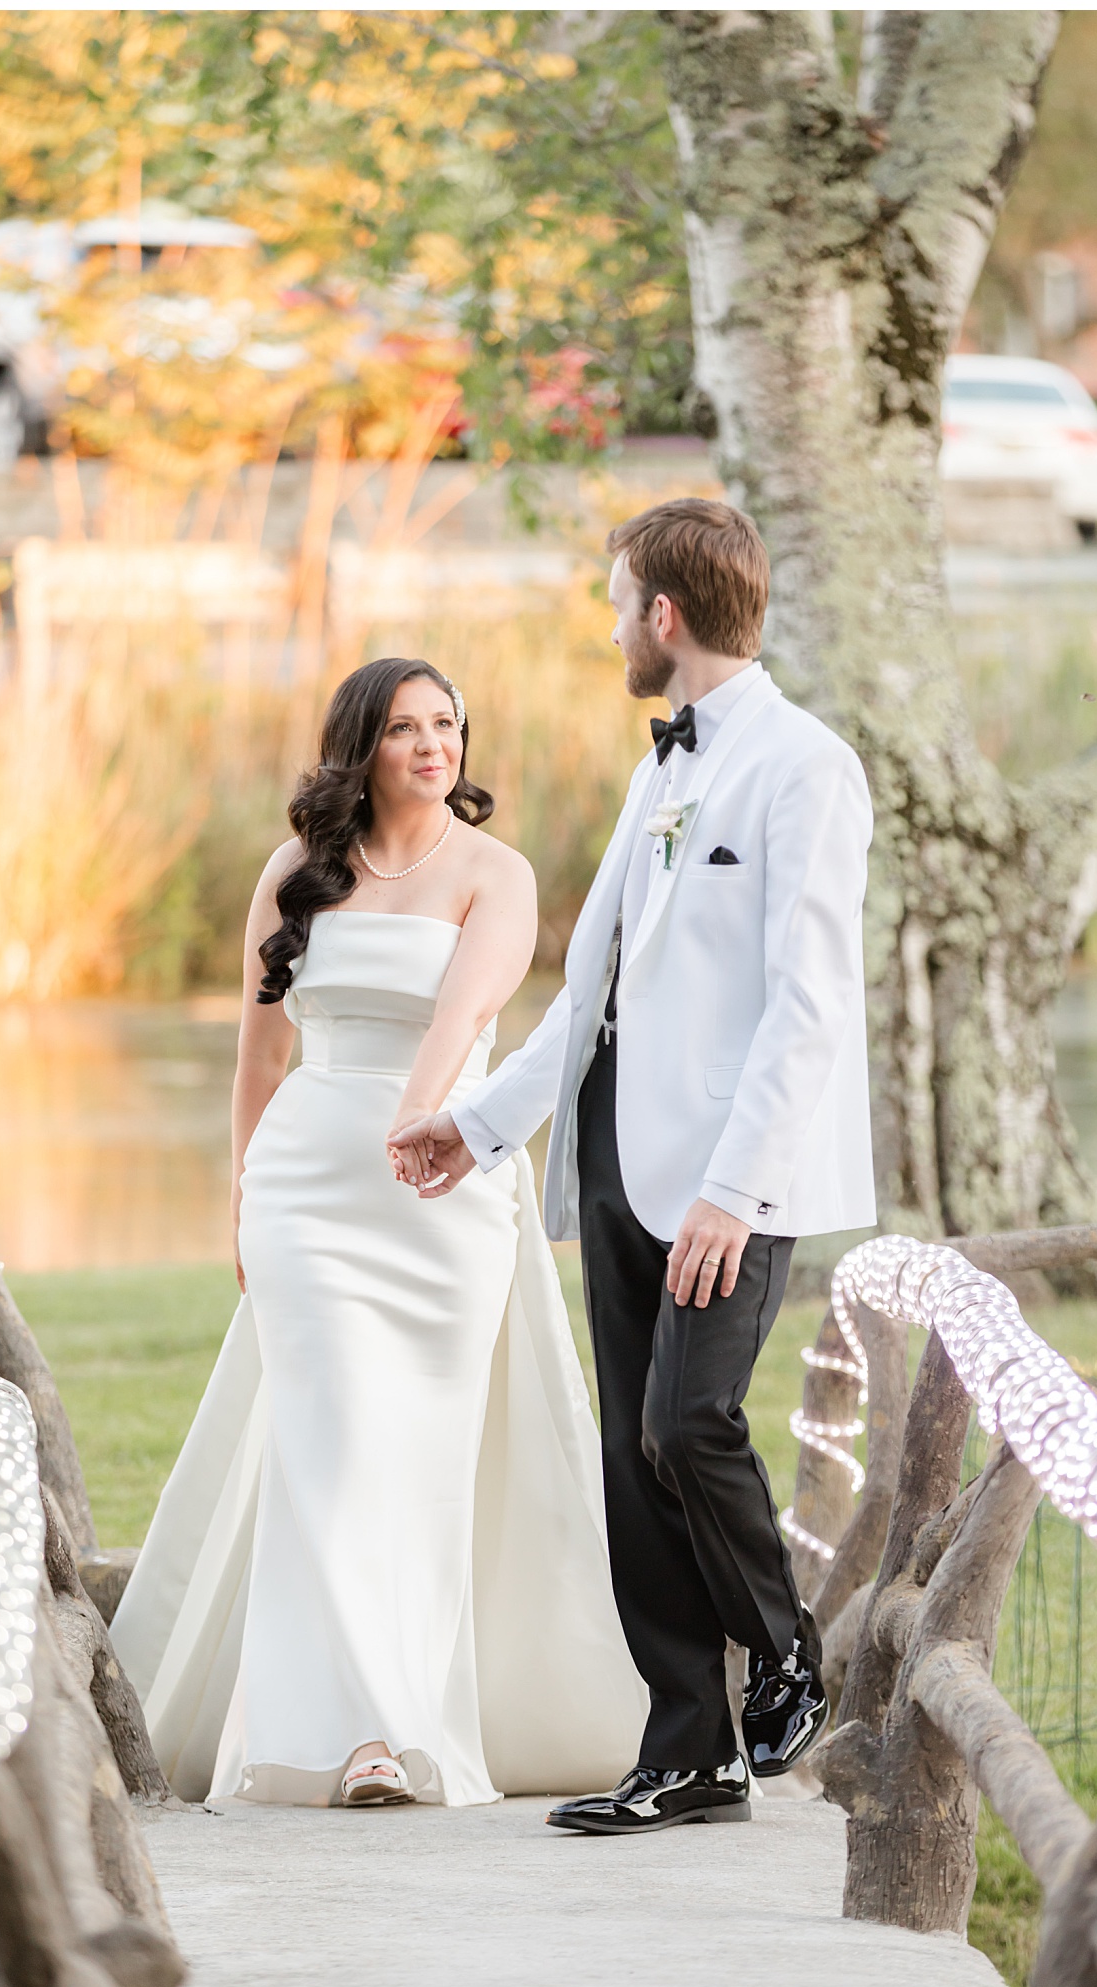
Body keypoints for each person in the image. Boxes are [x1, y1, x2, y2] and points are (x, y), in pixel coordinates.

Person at [393, 499, 875, 1835]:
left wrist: (738, 1186)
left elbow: (809, 1001)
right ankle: (688, 1751)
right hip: (611, 1152)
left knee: (687, 1421)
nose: (612, 628)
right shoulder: (657, 769)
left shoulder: (805, 767)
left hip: (729, 1171)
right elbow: (590, 987)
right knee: (627, 1450)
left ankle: (782, 1648)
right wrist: (482, 1121)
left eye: (618, 606)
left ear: (664, 616)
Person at [111, 658, 646, 1809]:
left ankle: (408, 1718)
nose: (430, 744)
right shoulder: (293, 874)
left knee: (418, 1455)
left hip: (439, 1191)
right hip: (307, 1184)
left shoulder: (493, 874)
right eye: (404, 727)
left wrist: (418, 1113)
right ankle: (357, 1735)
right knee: (333, 1435)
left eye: (446, 723)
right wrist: (243, 1196)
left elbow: (467, 1011)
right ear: (361, 744)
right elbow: (257, 1060)